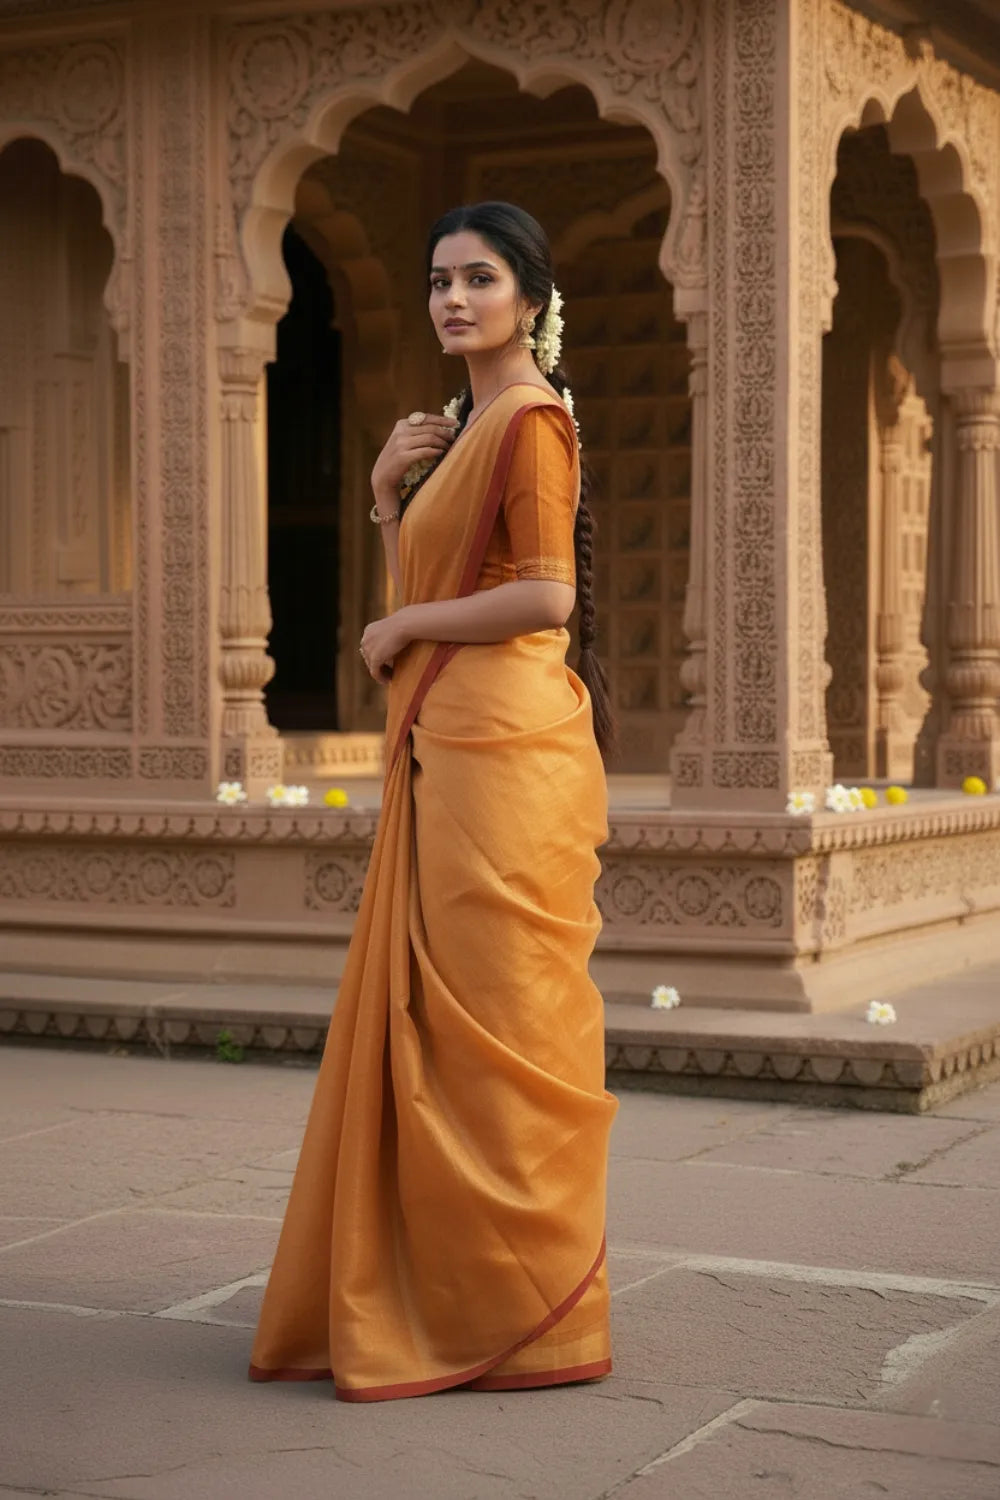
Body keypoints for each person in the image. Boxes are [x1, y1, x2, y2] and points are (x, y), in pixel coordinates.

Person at [249, 201, 618, 1402]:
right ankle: (439, 1290)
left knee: (500, 1026)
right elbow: (438, 584)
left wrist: (403, 622)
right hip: (449, 741)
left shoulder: (532, 424)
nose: (453, 299)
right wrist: (381, 491)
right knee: (437, 1030)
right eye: (437, 281)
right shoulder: (463, 428)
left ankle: (522, 1310)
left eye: (479, 279)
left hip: (507, 751)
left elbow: (548, 597)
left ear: (529, 297)